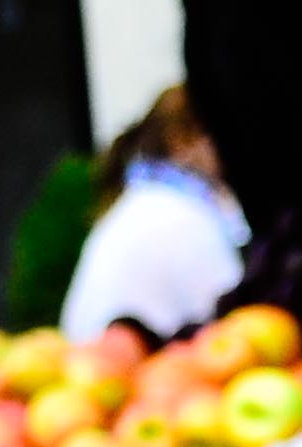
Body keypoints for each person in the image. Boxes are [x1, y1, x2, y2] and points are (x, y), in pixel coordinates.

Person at [60, 89, 246, 344]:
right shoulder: (183, 218)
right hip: (143, 372)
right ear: (183, 139)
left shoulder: (143, 202)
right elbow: (240, 327)